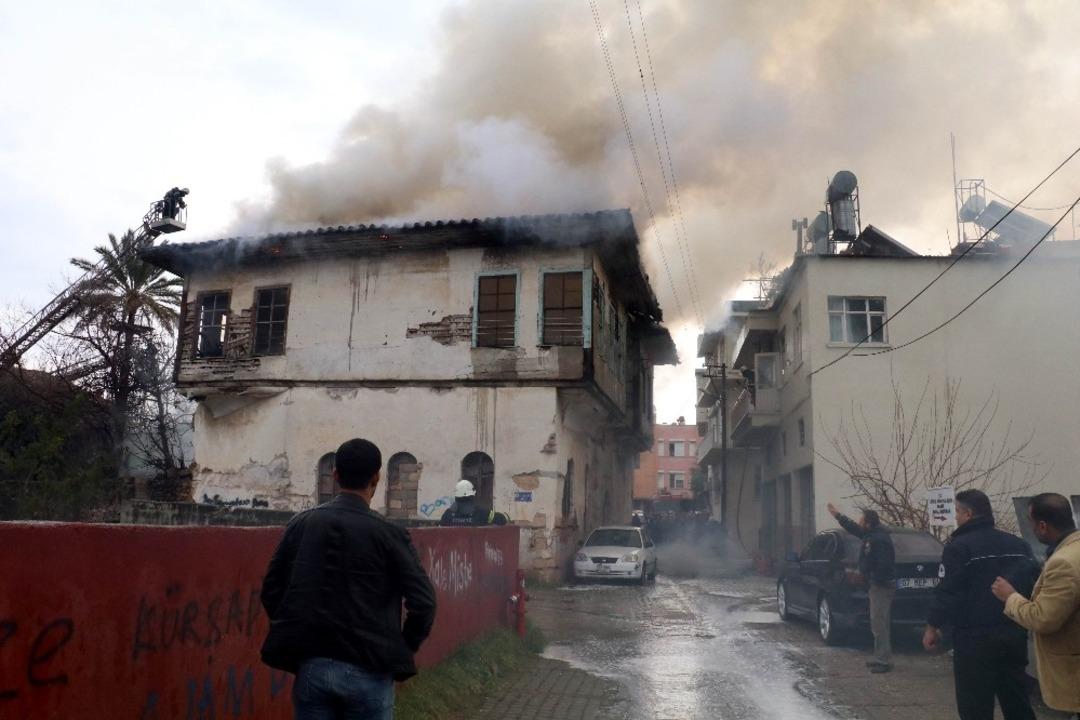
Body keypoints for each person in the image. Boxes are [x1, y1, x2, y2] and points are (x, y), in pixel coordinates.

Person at [260, 438, 437, 720]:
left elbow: (271, 591)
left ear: (336, 475)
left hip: (313, 667)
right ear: (377, 477)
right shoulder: (389, 534)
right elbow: (424, 603)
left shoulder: (301, 524)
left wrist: (296, 634)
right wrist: (403, 648)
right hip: (371, 668)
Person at [923, 489, 1039, 720]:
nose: (955, 516)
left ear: (968, 514)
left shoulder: (959, 547)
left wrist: (932, 626)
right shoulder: (1018, 545)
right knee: (1016, 700)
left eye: (957, 511)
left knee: (975, 704)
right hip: (1013, 633)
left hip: (973, 638)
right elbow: (1032, 583)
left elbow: (948, 591)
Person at [991, 493, 1080, 717]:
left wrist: (1010, 596)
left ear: (1042, 525)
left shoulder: (1064, 562)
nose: (1030, 528)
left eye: (1030, 522)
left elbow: (1043, 619)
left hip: (1072, 672)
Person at [827, 502, 896, 673]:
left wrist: (868, 577)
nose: (859, 523)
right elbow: (853, 528)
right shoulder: (872, 535)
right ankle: (881, 656)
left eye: (861, 521)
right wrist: (837, 515)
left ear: (869, 523)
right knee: (878, 623)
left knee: (879, 624)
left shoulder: (879, 540)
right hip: (878, 584)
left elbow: (883, 564)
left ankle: (884, 661)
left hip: (881, 586)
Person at [439, 479, 509, 526]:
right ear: (471, 496)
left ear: (456, 496)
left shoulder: (447, 515)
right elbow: (502, 519)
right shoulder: (481, 513)